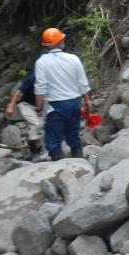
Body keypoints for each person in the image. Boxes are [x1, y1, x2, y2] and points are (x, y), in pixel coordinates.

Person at [34, 28, 92, 161]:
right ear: (60, 42)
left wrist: (38, 108)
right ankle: (80, 162)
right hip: (74, 103)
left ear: (46, 44)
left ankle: (58, 168)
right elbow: (82, 83)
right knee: (73, 135)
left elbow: (40, 88)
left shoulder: (41, 62)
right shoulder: (73, 59)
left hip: (55, 106)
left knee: (53, 140)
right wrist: (87, 101)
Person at [5, 67, 43, 157]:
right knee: (37, 124)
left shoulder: (50, 76)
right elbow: (18, 92)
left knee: (41, 125)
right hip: (25, 104)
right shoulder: (32, 78)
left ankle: (37, 149)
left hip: (39, 105)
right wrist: (10, 106)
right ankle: (34, 152)